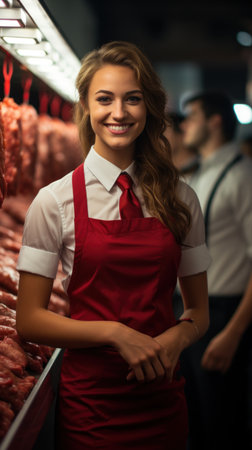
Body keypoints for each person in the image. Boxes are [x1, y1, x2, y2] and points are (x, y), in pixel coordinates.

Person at [16, 41, 210, 450]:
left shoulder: (181, 198)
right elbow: (29, 320)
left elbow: (199, 312)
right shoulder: (53, 202)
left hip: (162, 397)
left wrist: (177, 338)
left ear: (149, 108)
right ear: (86, 106)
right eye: (105, 99)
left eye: (133, 99)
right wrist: (116, 334)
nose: (119, 113)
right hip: (92, 405)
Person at [179, 91, 252, 450]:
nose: (185, 125)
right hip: (192, 314)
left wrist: (233, 334)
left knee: (221, 421)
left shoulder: (243, 177)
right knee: (195, 422)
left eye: (191, 116)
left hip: (224, 314)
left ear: (215, 121)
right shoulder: (199, 172)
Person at [164, 112, 199, 179]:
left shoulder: (201, 172)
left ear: (182, 134)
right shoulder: (166, 175)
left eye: (163, 132)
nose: (157, 139)